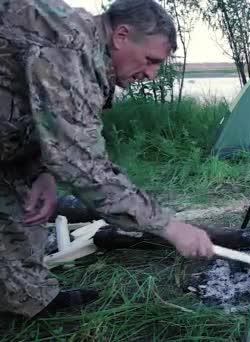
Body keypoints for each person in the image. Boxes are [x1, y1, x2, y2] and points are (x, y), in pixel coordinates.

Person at [0, 0, 214, 319]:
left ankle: (29, 301)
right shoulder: (70, 45)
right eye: (150, 60)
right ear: (121, 35)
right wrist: (168, 226)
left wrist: (42, 170)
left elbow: (46, 118)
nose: (152, 75)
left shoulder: (87, 53)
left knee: (20, 212)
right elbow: (83, 164)